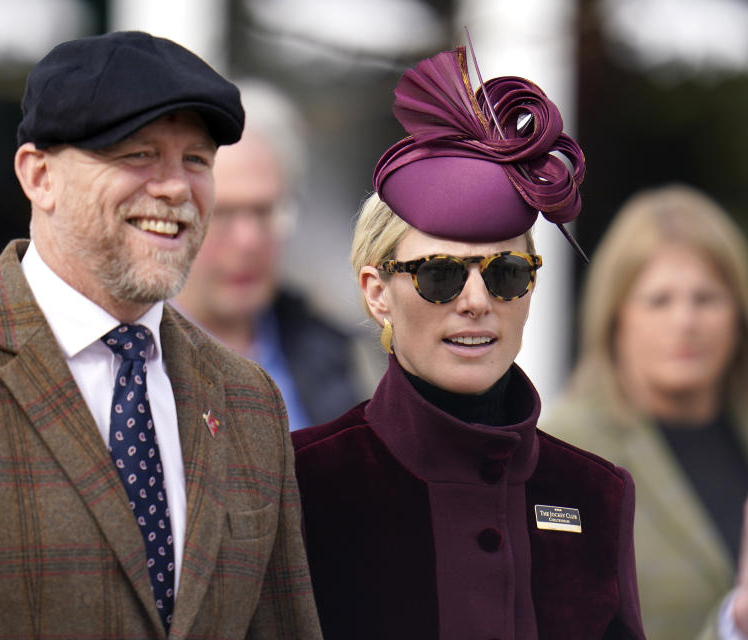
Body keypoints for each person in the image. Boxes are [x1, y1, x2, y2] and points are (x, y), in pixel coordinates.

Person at [0, 31, 322, 639]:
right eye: (138, 154)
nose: (176, 187)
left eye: (196, 160)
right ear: (38, 175)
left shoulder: (248, 399)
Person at [292, 45, 646, 639]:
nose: (477, 301)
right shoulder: (303, 482)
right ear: (377, 292)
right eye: (440, 274)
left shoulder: (596, 493)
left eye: (506, 272)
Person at [541, 184, 748, 640]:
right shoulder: (566, 452)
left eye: (706, 298)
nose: (685, 322)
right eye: (659, 300)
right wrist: (732, 626)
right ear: (616, 318)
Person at [174, 79, 370, 430]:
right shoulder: (126, 365)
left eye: (265, 211)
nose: (249, 240)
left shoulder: (345, 360)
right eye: (221, 213)